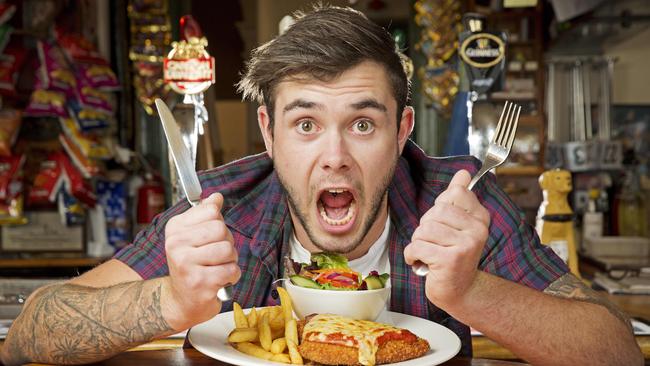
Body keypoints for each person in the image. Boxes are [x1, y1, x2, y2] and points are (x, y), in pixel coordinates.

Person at [1, 5, 642, 365]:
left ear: (401, 131)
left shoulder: (458, 198)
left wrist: (473, 291)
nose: (334, 157)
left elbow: (617, 351)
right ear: (269, 133)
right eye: (306, 123)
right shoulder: (221, 203)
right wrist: (170, 301)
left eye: (362, 122)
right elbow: (28, 336)